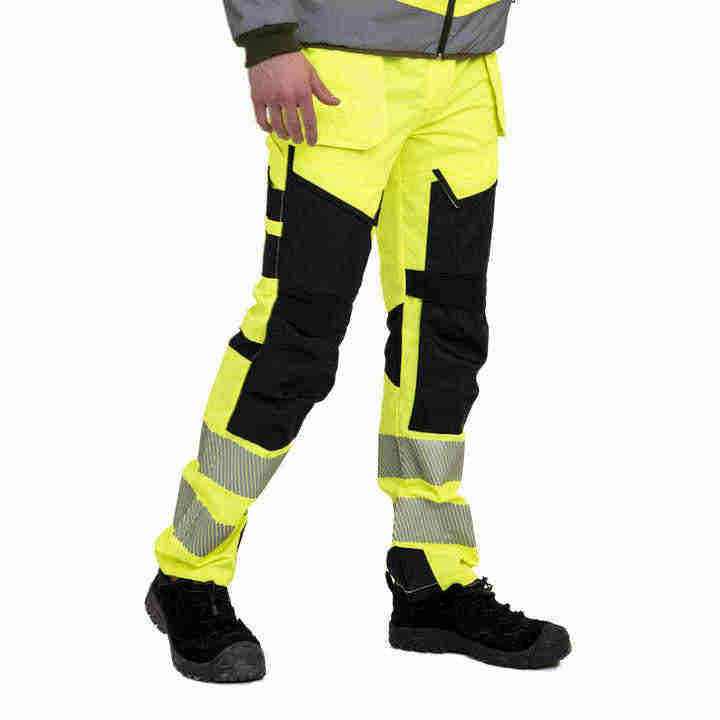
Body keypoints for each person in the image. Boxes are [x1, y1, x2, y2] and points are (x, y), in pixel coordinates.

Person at [146, 0, 571, 683]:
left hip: (464, 75)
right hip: (337, 77)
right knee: (295, 338)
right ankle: (189, 572)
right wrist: (267, 39)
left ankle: (431, 576)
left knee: (445, 338)